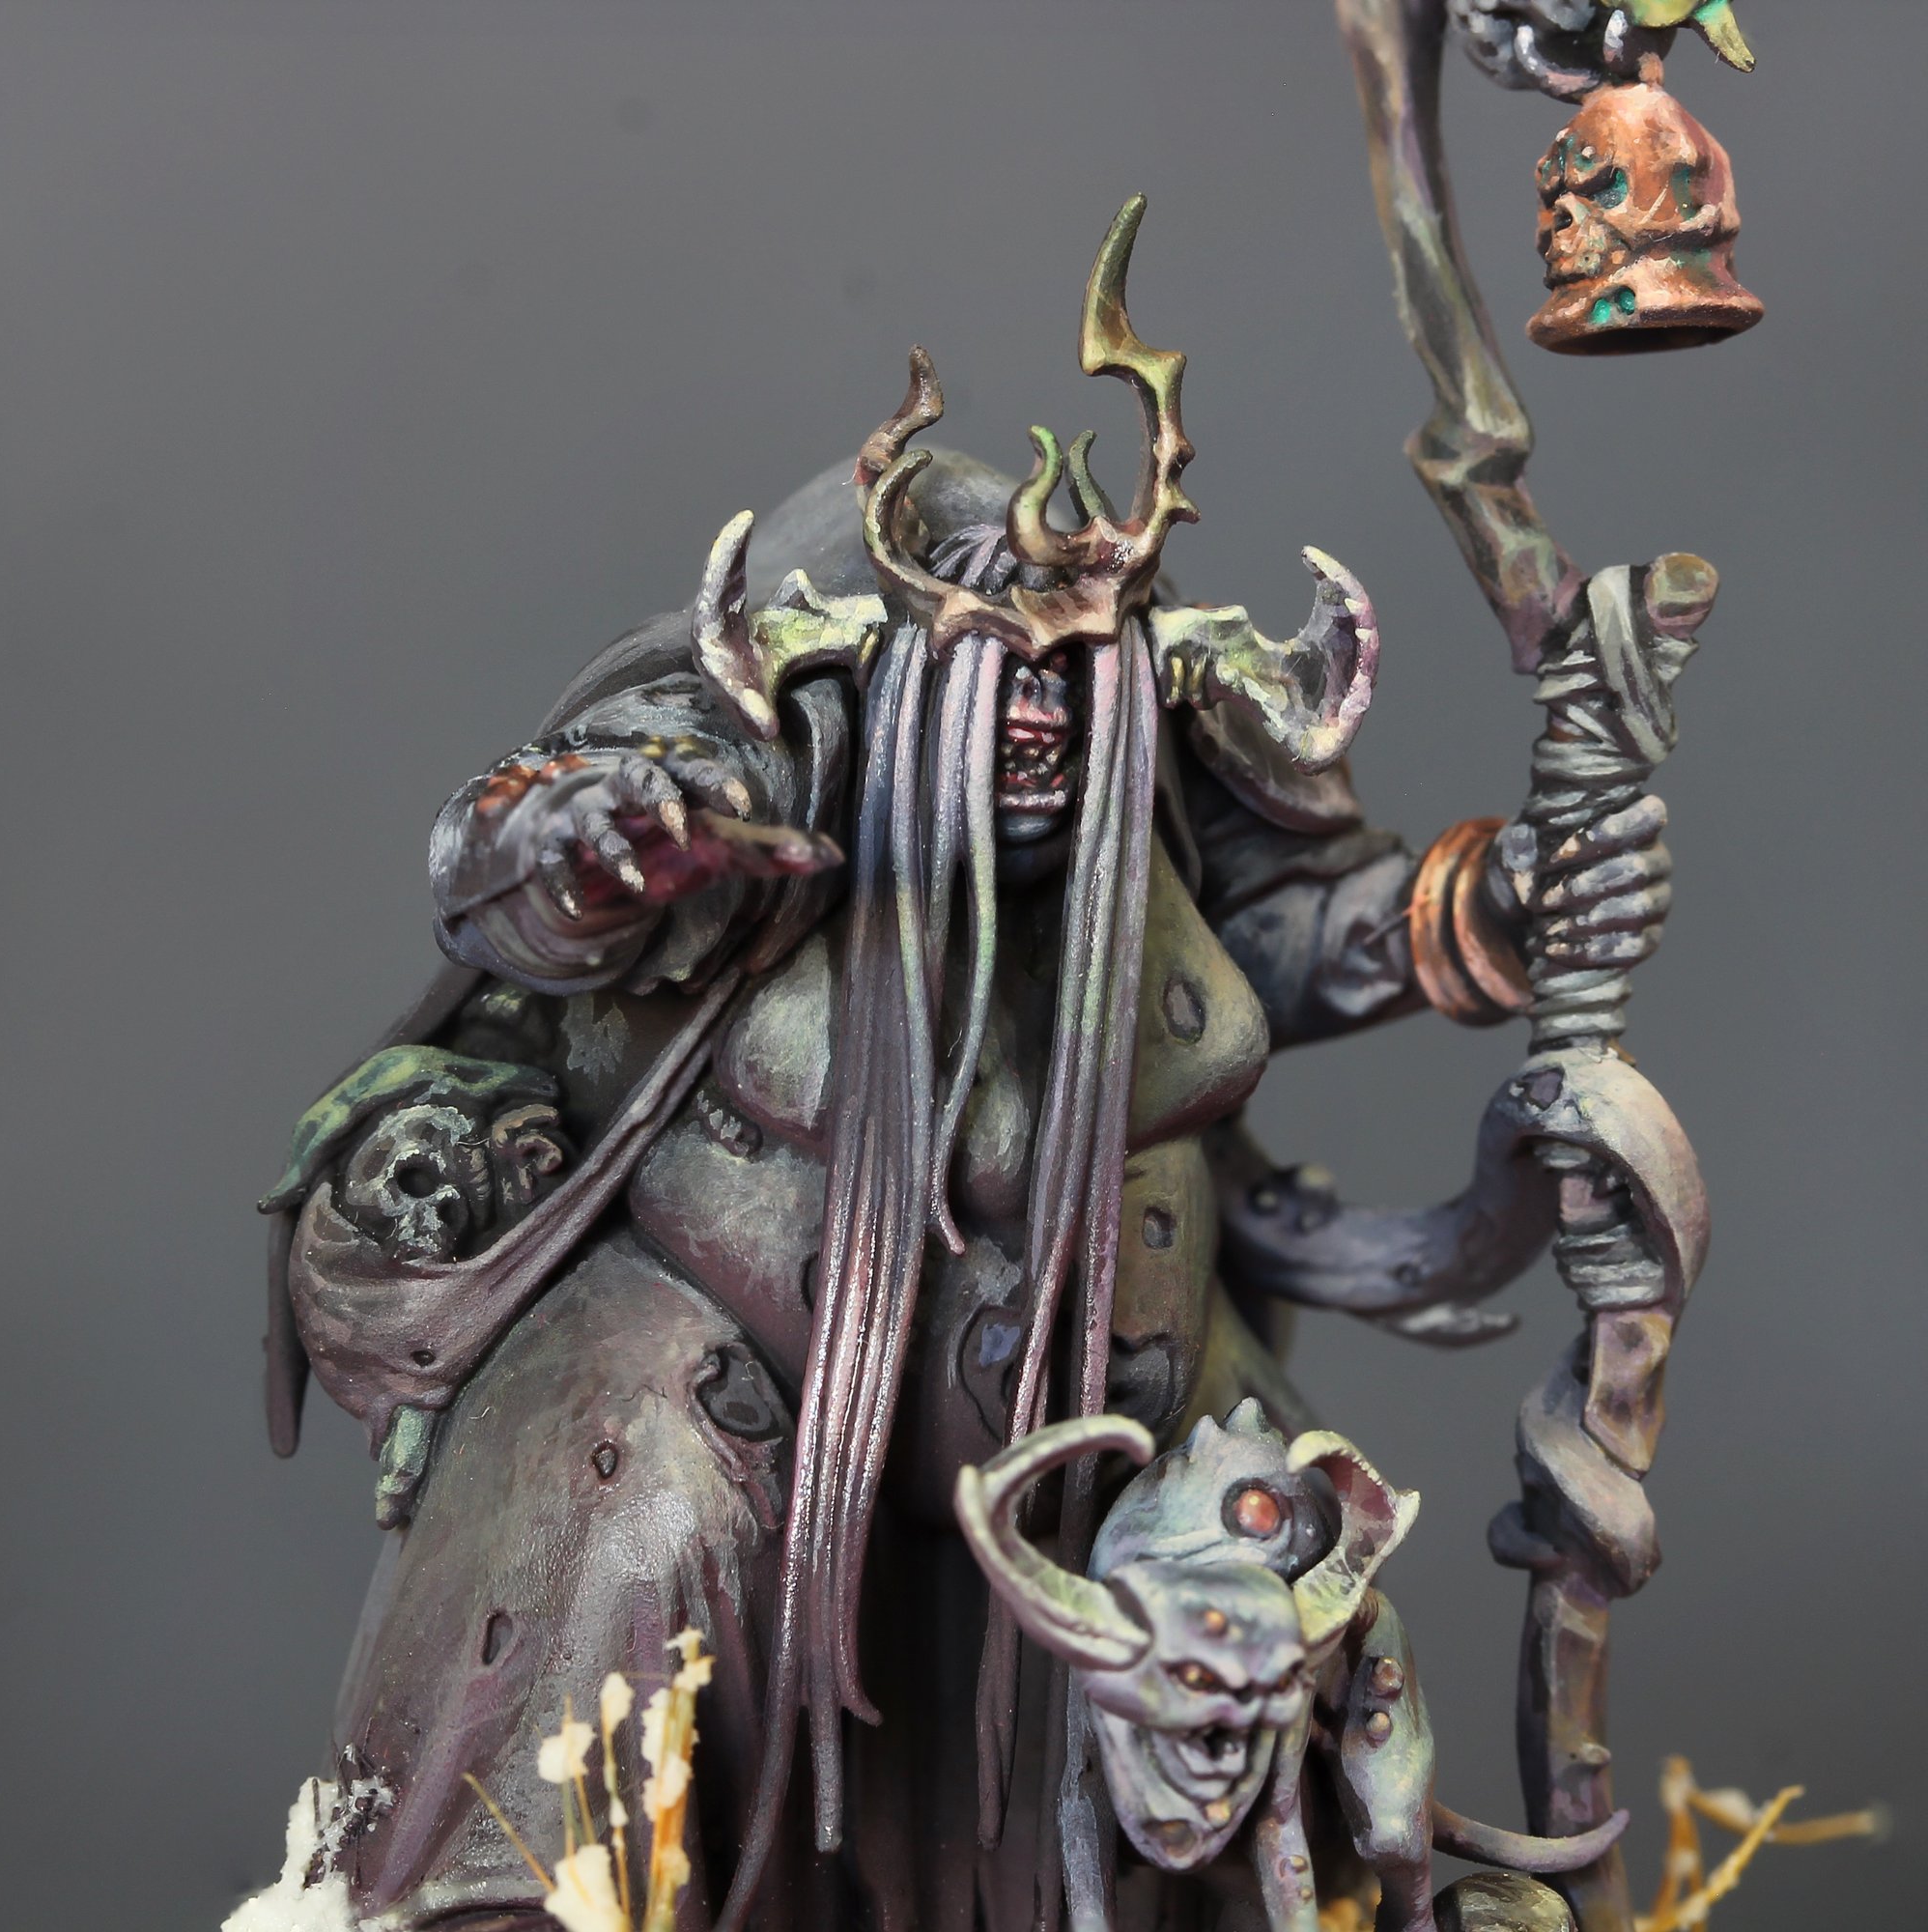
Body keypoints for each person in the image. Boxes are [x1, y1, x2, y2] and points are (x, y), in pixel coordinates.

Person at [262, 205, 1671, 1931]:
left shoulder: (1144, 778)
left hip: (1109, 1392)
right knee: (620, 1524)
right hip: (726, 1394)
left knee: (1287, 1632)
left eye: (1078, 683)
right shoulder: (771, 763)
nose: (1043, 723)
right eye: (1000, 680)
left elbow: (1269, 945)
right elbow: (526, 883)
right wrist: (588, 840)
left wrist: (1502, 906)